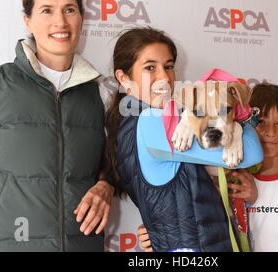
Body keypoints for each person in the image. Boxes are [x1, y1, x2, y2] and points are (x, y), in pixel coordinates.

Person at [0, 0, 116, 252]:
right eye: (46, 11)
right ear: (27, 20)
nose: (60, 22)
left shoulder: (101, 95)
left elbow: (110, 167)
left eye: (69, 9)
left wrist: (106, 187)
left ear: (81, 18)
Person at [138, 82, 278, 252]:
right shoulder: (224, 173)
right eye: (260, 122)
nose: (269, 132)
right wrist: (156, 229)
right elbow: (194, 214)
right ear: (245, 123)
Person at [105, 26, 258, 252]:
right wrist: (239, 122)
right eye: (150, 68)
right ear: (124, 79)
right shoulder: (150, 122)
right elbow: (252, 152)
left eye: (168, 67)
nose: (165, 77)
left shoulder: (145, 120)